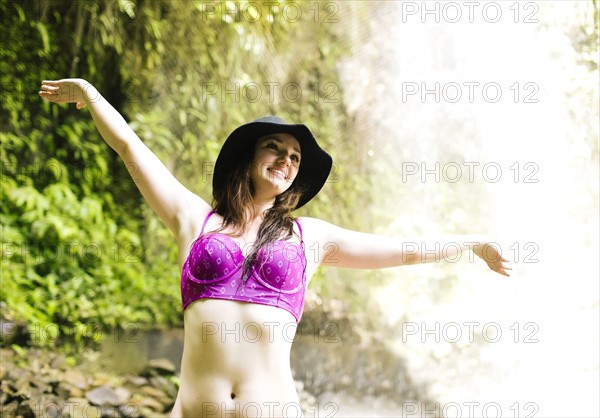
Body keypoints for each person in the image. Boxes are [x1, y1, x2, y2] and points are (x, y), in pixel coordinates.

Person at [39, 78, 511, 417]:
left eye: (295, 157)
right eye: (274, 147)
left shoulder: (312, 237)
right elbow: (129, 147)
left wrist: (470, 244)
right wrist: (89, 93)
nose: (285, 160)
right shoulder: (193, 218)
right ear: (249, 156)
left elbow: (401, 250)